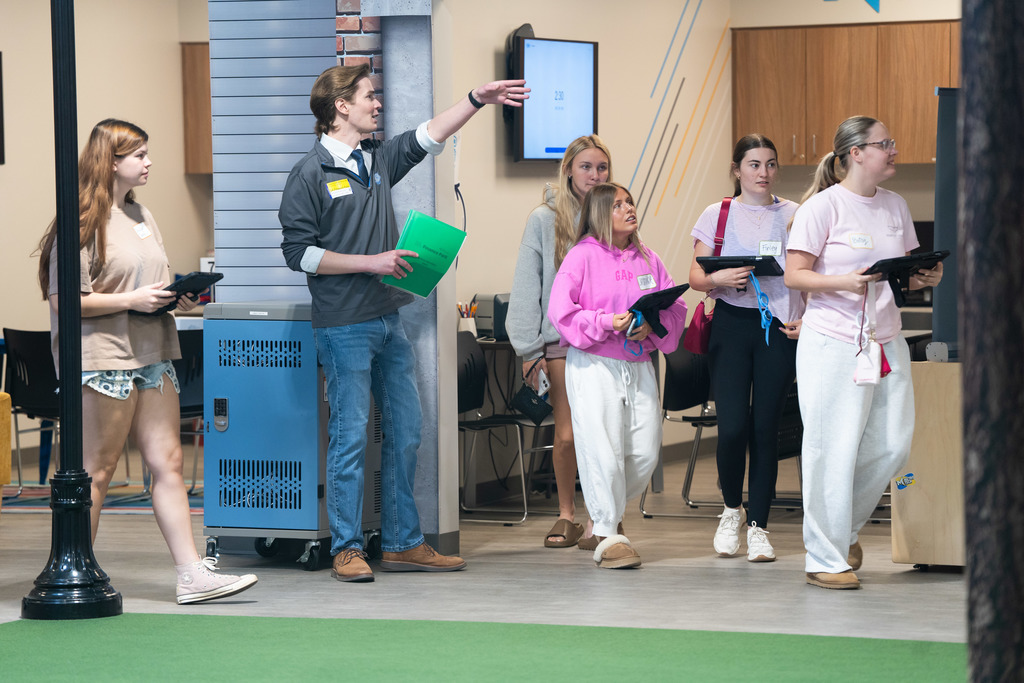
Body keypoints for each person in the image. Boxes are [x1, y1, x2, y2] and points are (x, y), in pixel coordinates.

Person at [279, 65, 529, 583]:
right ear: (340, 107)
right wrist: (370, 262)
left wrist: (476, 99)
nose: (378, 104)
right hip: (343, 326)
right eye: (370, 97)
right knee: (350, 436)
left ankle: (401, 543)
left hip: (388, 320)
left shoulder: (376, 161)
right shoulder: (307, 174)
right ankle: (346, 548)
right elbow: (298, 254)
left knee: (407, 432)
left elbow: (429, 135)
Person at [37, 119, 258, 605]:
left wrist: (169, 298)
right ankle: (76, 574)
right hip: (103, 357)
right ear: (111, 161)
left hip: (152, 351)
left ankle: (191, 573)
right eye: (139, 154)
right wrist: (132, 299)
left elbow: (145, 285)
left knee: (169, 462)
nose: (148, 162)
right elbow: (63, 302)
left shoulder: (142, 215)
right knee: (98, 469)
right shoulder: (79, 220)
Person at [784, 116, 943, 590]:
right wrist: (843, 282)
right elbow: (795, 275)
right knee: (831, 450)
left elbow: (902, 273)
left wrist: (922, 278)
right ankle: (823, 556)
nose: (893, 150)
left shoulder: (895, 204)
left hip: (885, 337)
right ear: (855, 153)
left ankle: (843, 531)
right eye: (884, 144)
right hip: (833, 340)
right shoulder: (822, 208)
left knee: (893, 443)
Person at [548, 182, 687, 569]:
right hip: (594, 364)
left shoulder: (648, 257)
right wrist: (607, 320)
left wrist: (651, 325)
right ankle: (608, 535)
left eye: (630, 203)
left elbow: (675, 308)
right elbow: (561, 312)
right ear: (598, 214)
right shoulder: (581, 256)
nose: (629, 209)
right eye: (618, 205)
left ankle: (602, 515)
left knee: (645, 450)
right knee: (601, 451)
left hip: (638, 363)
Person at [687, 135, 802, 563]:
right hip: (731, 326)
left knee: (765, 428)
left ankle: (759, 526)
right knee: (733, 425)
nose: (763, 173)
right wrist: (722, 279)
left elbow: (806, 270)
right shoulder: (717, 213)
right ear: (737, 169)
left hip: (777, 327)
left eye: (770, 164)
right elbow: (696, 276)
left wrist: (803, 320)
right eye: (754, 164)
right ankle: (731, 510)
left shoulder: (794, 214)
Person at [507, 135, 612, 548]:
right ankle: (567, 515)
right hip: (562, 344)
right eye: (586, 166)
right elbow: (525, 286)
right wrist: (528, 350)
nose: (594, 175)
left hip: (607, 342)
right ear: (568, 168)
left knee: (603, 436)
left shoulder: (614, 215)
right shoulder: (543, 218)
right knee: (567, 435)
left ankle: (602, 518)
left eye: (602, 168)